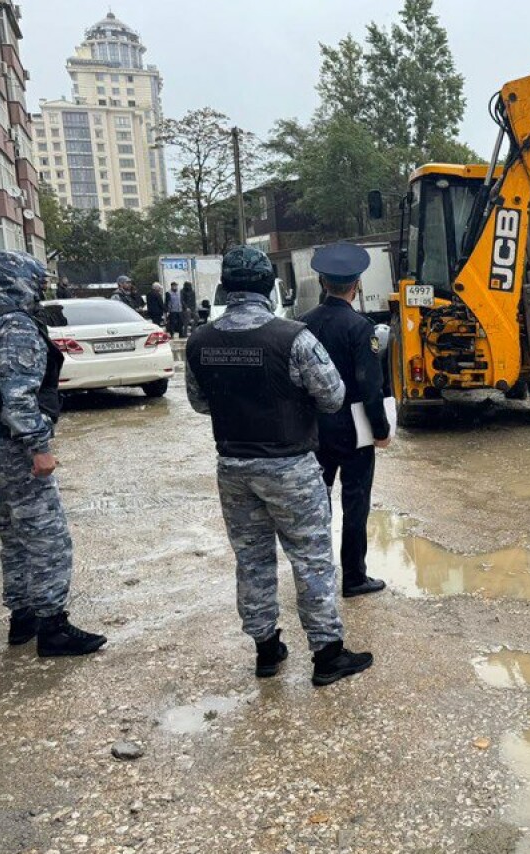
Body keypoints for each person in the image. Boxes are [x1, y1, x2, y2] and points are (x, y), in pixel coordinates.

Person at [185, 246, 372, 686]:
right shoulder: (292, 337)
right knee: (311, 559)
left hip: (233, 466)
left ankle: (266, 650)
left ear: (225, 287)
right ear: (269, 286)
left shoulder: (199, 340)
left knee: (251, 560)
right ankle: (327, 655)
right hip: (290, 466)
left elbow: (199, 403)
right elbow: (333, 397)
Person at [0, 251, 106, 656]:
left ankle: (22, 618)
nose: (39, 289)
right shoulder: (12, 323)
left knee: (13, 534)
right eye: (36, 281)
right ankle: (53, 627)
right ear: (17, 279)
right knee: (47, 537)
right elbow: (18, 394)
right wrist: (38, 446)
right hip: (13, 446)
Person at [299, 242, 390, 599]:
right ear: (356, 285)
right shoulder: (360, 328)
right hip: (354, 431)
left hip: (313, 430)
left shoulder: (302, 325)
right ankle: (353, 578)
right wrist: (381, 430)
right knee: (355, 503)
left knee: (314, 505)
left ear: (322, 282)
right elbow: (370, 387)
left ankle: (315, 579)